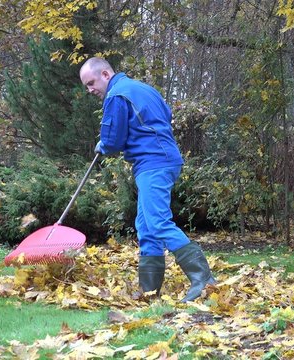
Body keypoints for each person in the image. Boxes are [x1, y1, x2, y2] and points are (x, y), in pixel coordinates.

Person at [79, 57, 215, 302]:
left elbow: (112, 141)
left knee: (158, 222)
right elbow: (165, 115)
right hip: (162, 160)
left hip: (154, 162)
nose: (90, 90)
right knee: (147, 227)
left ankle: (204, 280)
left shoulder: (116, 95)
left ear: (106, 74)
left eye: (91, 83)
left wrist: (102, 144)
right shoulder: (144, 89)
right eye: (86, 86)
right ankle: (150, 291)